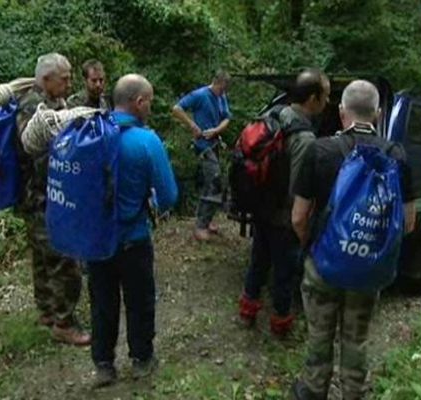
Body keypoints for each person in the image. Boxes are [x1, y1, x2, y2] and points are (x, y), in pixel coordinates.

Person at [290, 80, 416, 400]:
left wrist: (313, 246)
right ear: (378, 113)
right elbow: (408, 223)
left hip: (323, 265)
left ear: (342, 111)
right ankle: (353, 393)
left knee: (319, 333)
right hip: (367, 272)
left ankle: (315, 390)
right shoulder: (396, 155)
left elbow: (298, 218)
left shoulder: (320, 150)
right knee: (356, 338)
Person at [87, 74, 178, 388]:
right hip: (133, 240)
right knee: (139, 300)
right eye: (149, 101)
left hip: (95, 240)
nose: (150, 107)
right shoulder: (146, 141)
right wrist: (149, 199)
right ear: (139, 102)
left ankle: (103, 365)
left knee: (101, 302)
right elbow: (169, 196)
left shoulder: (89, 133)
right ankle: (141, 360)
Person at [238, 69, 331, 337]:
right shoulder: (304, 137)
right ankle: (281, 324)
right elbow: (297, 189)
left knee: (258, 261)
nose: (327, 103)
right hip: (282, 216)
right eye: (325, 96)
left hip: (259, 207)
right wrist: (302, 224)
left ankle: (248, 312)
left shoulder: (274, 115)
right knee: (284, 273)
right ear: (312, 98)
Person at [16, 53, 91, 346]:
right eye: (65, 78)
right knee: (63, 257)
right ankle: (64, 322)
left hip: (41, 197)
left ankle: (47, 311)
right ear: (46, 80)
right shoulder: (32, 108)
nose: (70, 82)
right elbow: (36, 153)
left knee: (42, 256)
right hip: (40, 198)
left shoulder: (51, 103)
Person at [172, 71, 231, 241]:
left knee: (213, 182)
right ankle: (200, 226)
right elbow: (177, 108)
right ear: (217, 83)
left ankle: (207, 220)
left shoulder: (222, 96)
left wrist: (217, 130)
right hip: (203, 145)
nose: (223, 92)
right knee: (214, 180)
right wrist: (192, 125)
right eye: (222, 88)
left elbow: (227, 118)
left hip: (215, 143)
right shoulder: (200, 95)